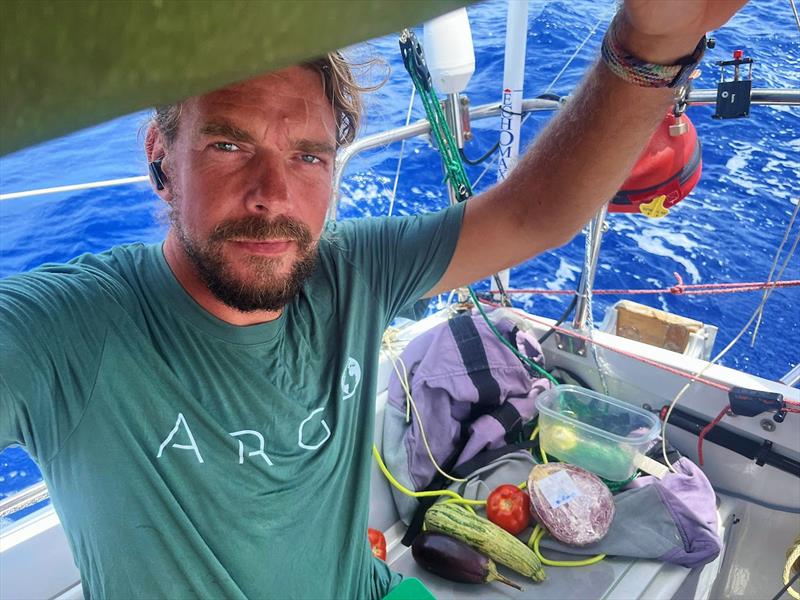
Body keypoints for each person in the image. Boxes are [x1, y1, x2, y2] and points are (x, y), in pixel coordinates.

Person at [0, 1, 747, 598]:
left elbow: (534, 214)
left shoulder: (352, 270)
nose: (272, 196)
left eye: (308, 156)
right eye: (229, 146)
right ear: (161, 157)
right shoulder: (70, 330)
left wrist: (653, 43)